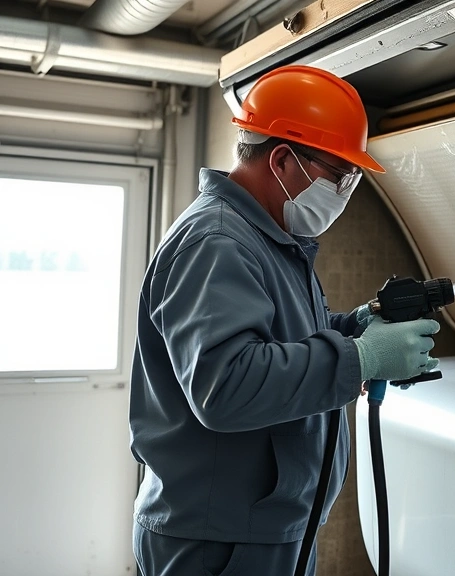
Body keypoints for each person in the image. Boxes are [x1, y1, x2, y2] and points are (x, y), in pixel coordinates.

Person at [128, 65, 439, 575]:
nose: (345, 191)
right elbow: (224, 386)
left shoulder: (267, 239)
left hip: (261, 531)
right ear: (282, 160)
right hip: (218, 543)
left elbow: (276, 343)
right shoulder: (218, 243)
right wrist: (359, 359)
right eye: (340, 175)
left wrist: (351, 329)